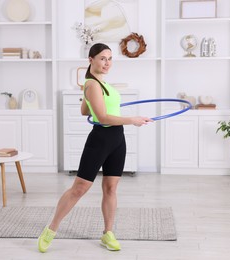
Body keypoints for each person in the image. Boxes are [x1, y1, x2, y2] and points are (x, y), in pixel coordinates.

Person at [38, 43, 152, 253]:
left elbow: (84, 111)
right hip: (100, 139)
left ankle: (108, 234)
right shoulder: (92, 85)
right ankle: (51, 229)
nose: (107, 63)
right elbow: (101, 118)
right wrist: (132, 119)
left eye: (110, 59)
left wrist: (92, 103)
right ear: (91, 59)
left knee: (110, 188)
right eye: (102, 58)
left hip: (117, 140)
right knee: (79, 188)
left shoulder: (99, 84)